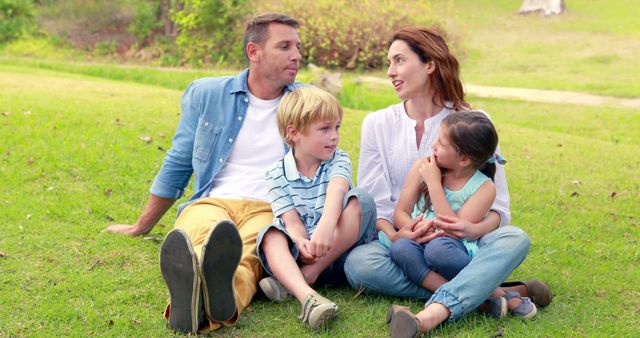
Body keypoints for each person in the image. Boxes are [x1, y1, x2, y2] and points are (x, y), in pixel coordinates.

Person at [104, 13, 310, 333]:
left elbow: (328, 167)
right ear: (254, 52)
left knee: (247, 257)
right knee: (195, 241)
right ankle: (203, 295)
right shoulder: (207, 93)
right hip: (213, 201)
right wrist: (140, 226)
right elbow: (179, 160)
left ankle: (194, 308)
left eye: (298, 47)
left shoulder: (306, 101)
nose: (297, 55)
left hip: (271, 208)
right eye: (285, 46)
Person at [342, 27, 552, 335]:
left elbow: (499, 209)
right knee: (358, 265)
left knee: (515, 239)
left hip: (464, 244)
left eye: (399, 60)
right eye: (389, 62)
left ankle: (457, 300)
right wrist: (402, 234)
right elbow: (378, 206)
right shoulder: (377, 124)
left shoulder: (472, 121)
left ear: (429, 65)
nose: (390, 72)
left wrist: (470, 228)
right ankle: (496, 293)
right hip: (406, 242)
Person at [388, 111, 537, 337]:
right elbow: (400, 212)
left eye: (441, 143)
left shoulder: (484, 188)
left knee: (438, 251)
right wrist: (412, 229)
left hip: (450, 247)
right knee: (399, 249)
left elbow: (453, 230)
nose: (433, 146)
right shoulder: (423, 166)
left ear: (464, 159)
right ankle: (496, 295)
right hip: (417, 241)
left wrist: (434, 183)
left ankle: (469, 299)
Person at [255, 87, 376, 330]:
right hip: (305, 252)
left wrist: (325, 228)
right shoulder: (276, 174)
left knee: (361, 200)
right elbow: (291, 221)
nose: (334, 136)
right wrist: (301, 241)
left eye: (337, 127)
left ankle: (307, 276)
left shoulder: (338, 159)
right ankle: (308, 297)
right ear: (294, 133)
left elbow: (337, 191)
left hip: (339, 251)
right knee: (269, 235)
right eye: (325, 129)